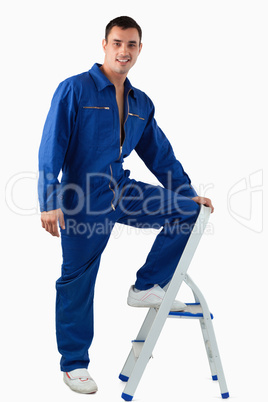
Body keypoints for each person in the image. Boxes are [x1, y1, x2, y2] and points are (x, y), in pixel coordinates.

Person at [38, 16, 214, 394]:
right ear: (104, 45)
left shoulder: (140, 102)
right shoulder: (74, 90)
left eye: (131, 44)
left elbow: (160, 155)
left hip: (121, 189)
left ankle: (146, 284)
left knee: (189, 211)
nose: (124, 51)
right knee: (77, 281)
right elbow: (51, 147)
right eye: (117, 43)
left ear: (139, 49)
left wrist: (185, 193)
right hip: (83, 198)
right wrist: (49, 199)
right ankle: (75, 364)